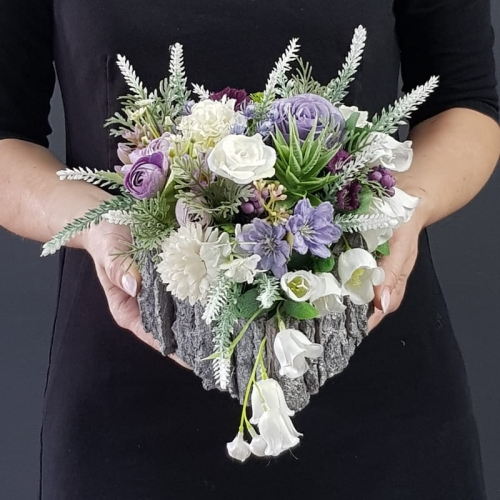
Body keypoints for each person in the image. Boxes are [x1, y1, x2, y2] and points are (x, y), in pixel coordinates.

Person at [0, 0, 499, 498]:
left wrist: (400, 209)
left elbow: (465, 97)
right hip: (129, 391)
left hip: (370, 370)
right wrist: (99, 226)